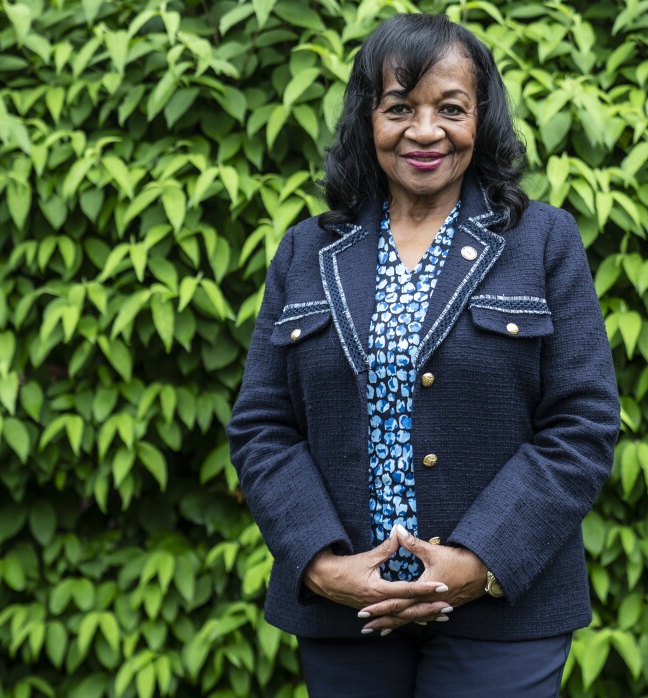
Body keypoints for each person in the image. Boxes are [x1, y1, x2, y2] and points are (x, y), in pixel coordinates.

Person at [226, 12, 620, 698]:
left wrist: (481, 560)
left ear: (482, 118)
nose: (426, 131)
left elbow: (581, 424)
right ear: (367, 118)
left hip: (503, 612)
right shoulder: (308, 251)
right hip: (348, 615)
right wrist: (319, 565)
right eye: (400, 107)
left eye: (451, 108)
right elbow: (263, 426)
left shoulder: (543, 241)